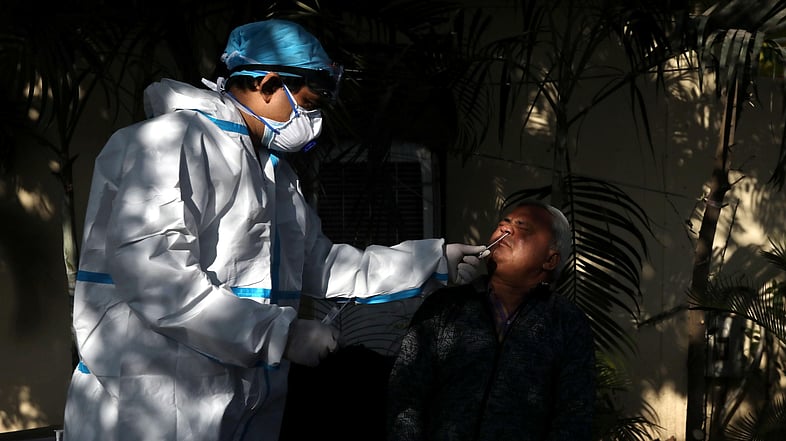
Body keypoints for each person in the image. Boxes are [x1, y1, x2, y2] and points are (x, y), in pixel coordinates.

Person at [63, 18, 483, 441]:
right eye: (308, 101)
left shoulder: (271, 172)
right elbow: (158, 280)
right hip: (149, 413)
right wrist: (280, 333)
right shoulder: (170, 142)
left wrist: (432, 261)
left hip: (241, 409)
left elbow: (320, 264)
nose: (314, 119)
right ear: (266, 85)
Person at [386, 200, 597, 441]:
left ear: (550, 260)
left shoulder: (567, 322)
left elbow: (574, 415)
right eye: (503, 224)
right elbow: (406, 392)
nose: (505, 230)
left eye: (523, 228)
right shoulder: (445, 306)